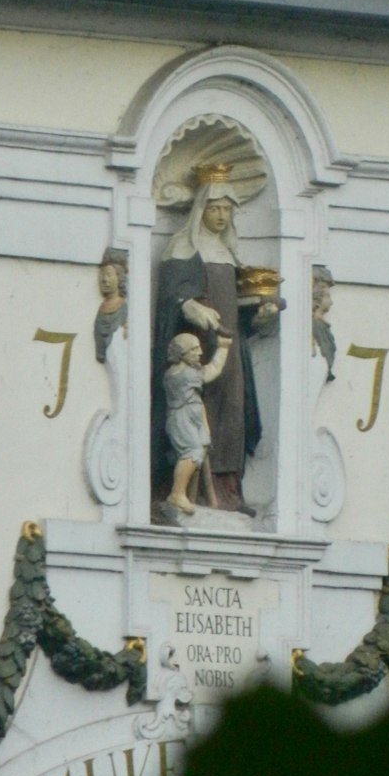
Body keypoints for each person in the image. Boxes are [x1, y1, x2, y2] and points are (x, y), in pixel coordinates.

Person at [152, 163, 277, 515]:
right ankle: (185, 490)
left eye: (227, 209)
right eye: (215, 208)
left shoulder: (229, 252)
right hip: (196, 348)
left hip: (230, 349)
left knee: (232, 414)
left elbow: (237, 308)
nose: (222, 215)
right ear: (201, 209)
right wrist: (190, 306)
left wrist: (259, 314)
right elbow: (170, 299)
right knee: (197, 415)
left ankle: (226, 491)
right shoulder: (182, 247)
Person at [163, 331, 232, 514]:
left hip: (191, 418)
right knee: (192, 451)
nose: (200, 352)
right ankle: (177, 493)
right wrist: (223, 348)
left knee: (198, 451)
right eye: (194, 349)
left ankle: (190, 496)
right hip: (183, 419)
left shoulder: (178, 372)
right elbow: (213, 370)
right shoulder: (185, 375)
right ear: (182, 353)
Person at [93, 253, 128, 363]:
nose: (104, 279)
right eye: (102, 275)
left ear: (119, 278)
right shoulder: (101, 308)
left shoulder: (123, 307)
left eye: (109, 275)